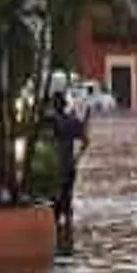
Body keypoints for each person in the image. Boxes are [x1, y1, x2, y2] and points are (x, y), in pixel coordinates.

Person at [47, 91, 90, 235]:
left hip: (56, 168)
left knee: (57, 201)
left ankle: (61, 235)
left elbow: (85, 141)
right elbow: (85, 141)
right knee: (66, 200)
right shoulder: (71, 121)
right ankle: (65, 235)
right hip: (67, 166)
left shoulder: (50, 122)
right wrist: (76, 158)